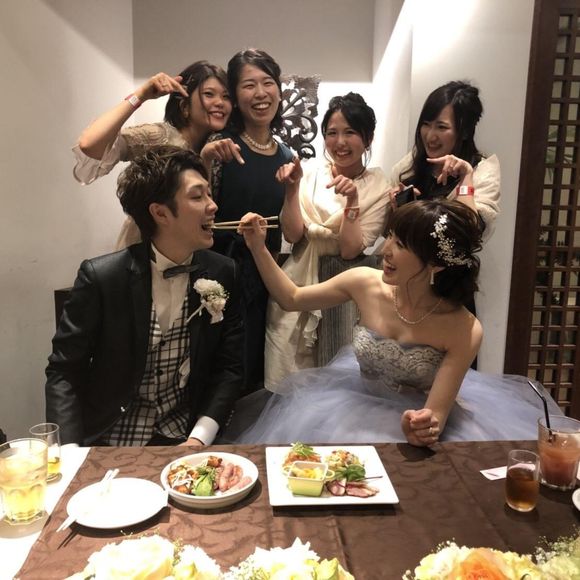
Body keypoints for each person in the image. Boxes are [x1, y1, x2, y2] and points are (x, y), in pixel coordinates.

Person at [220, 199, 561, 446]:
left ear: (436, 264)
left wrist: (423, 427)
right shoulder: (364, 283)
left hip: (410, 421)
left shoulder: (463, 328)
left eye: (401, 244)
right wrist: (257, 247)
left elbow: (435, 416)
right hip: (348, 407)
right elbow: (291, 298)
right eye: (390, 237)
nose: (385, 250)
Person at [46, 147, 243, 446]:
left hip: (185, 434)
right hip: (110, 436)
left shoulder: (223, 272)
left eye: (209, 194)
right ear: (160, 213)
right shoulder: (102, 278)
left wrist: (199, 437)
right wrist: (70, 451)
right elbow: (64, 371)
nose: (213, 205)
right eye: (197, 196)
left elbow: (229, 368)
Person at [265, 93, 389, 388]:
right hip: (297, 279)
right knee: (289, 376)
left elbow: (349, 249)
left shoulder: (379, 186)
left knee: (338, 382)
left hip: (346, 290)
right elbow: (293, 234)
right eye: (332, 133)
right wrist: (292, 189)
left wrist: (352, 202)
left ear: (368, 138)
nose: (340, 142)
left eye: (350, 132)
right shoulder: (309, 174)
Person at [73, 61, 242, 247]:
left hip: (189, 255)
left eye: (226, 96)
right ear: (184, 106)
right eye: (209, 94)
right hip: (144, 251)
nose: (220, 103)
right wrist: (141, 95)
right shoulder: (160, 137)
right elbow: (90, 144)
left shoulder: (219, 147)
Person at [210, 48, 294, 394]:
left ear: (279, 90)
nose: (260, 93)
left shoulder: (286, 155)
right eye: (248, 85)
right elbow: (199, 210)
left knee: (258, 372)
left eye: (268, 82)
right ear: (235, 95)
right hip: (219, 277)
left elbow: (290, 229)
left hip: (265, 278)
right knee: (223, 369)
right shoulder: (221, 147)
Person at [389, 81, 500, 242]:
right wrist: (400, 207)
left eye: (441, 127)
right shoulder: (410, 164)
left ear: (465, 132)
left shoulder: (483, 171)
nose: (430, 136)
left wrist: (466, 177)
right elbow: (392, 232)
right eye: (426, 124)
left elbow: (470, 234)